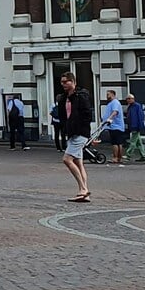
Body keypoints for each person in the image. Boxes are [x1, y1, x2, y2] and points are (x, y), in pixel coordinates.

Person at [54, 72, 93, 203]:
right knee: (78, 163)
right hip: (71, 133)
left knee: (67, 159)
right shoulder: (64, 98)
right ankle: (85, 192)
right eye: (62, 82)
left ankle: (83, 189)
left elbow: (87, 114)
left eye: (66, 82)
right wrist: (65, 127)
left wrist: (81, 128)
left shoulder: (81, 96)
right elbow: (63, 115)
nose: (63, 84)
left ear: (73, 82)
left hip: (80, 132)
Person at [98, 88, 127, 165]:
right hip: (116, 126)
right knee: (118, 143)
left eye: (108, 94)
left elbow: (115, 112)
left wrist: (109, 119)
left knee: (115, 143)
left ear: (113, 94)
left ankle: (115, 158)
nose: (107, 96)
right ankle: (119, 158)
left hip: (115, 126)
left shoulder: (114, 102)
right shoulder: (112, 103)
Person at [123, 93, 145, 162]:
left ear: (133, 99)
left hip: (135, 126)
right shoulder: (130, 106)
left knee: (133, 141)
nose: (127, 100)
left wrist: (139, 126)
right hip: (133, 126)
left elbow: (140, 116)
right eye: (127, 99)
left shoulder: (136, 106)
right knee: (139, 142)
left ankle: (128, 155)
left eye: (129, 99)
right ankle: (143, 156)